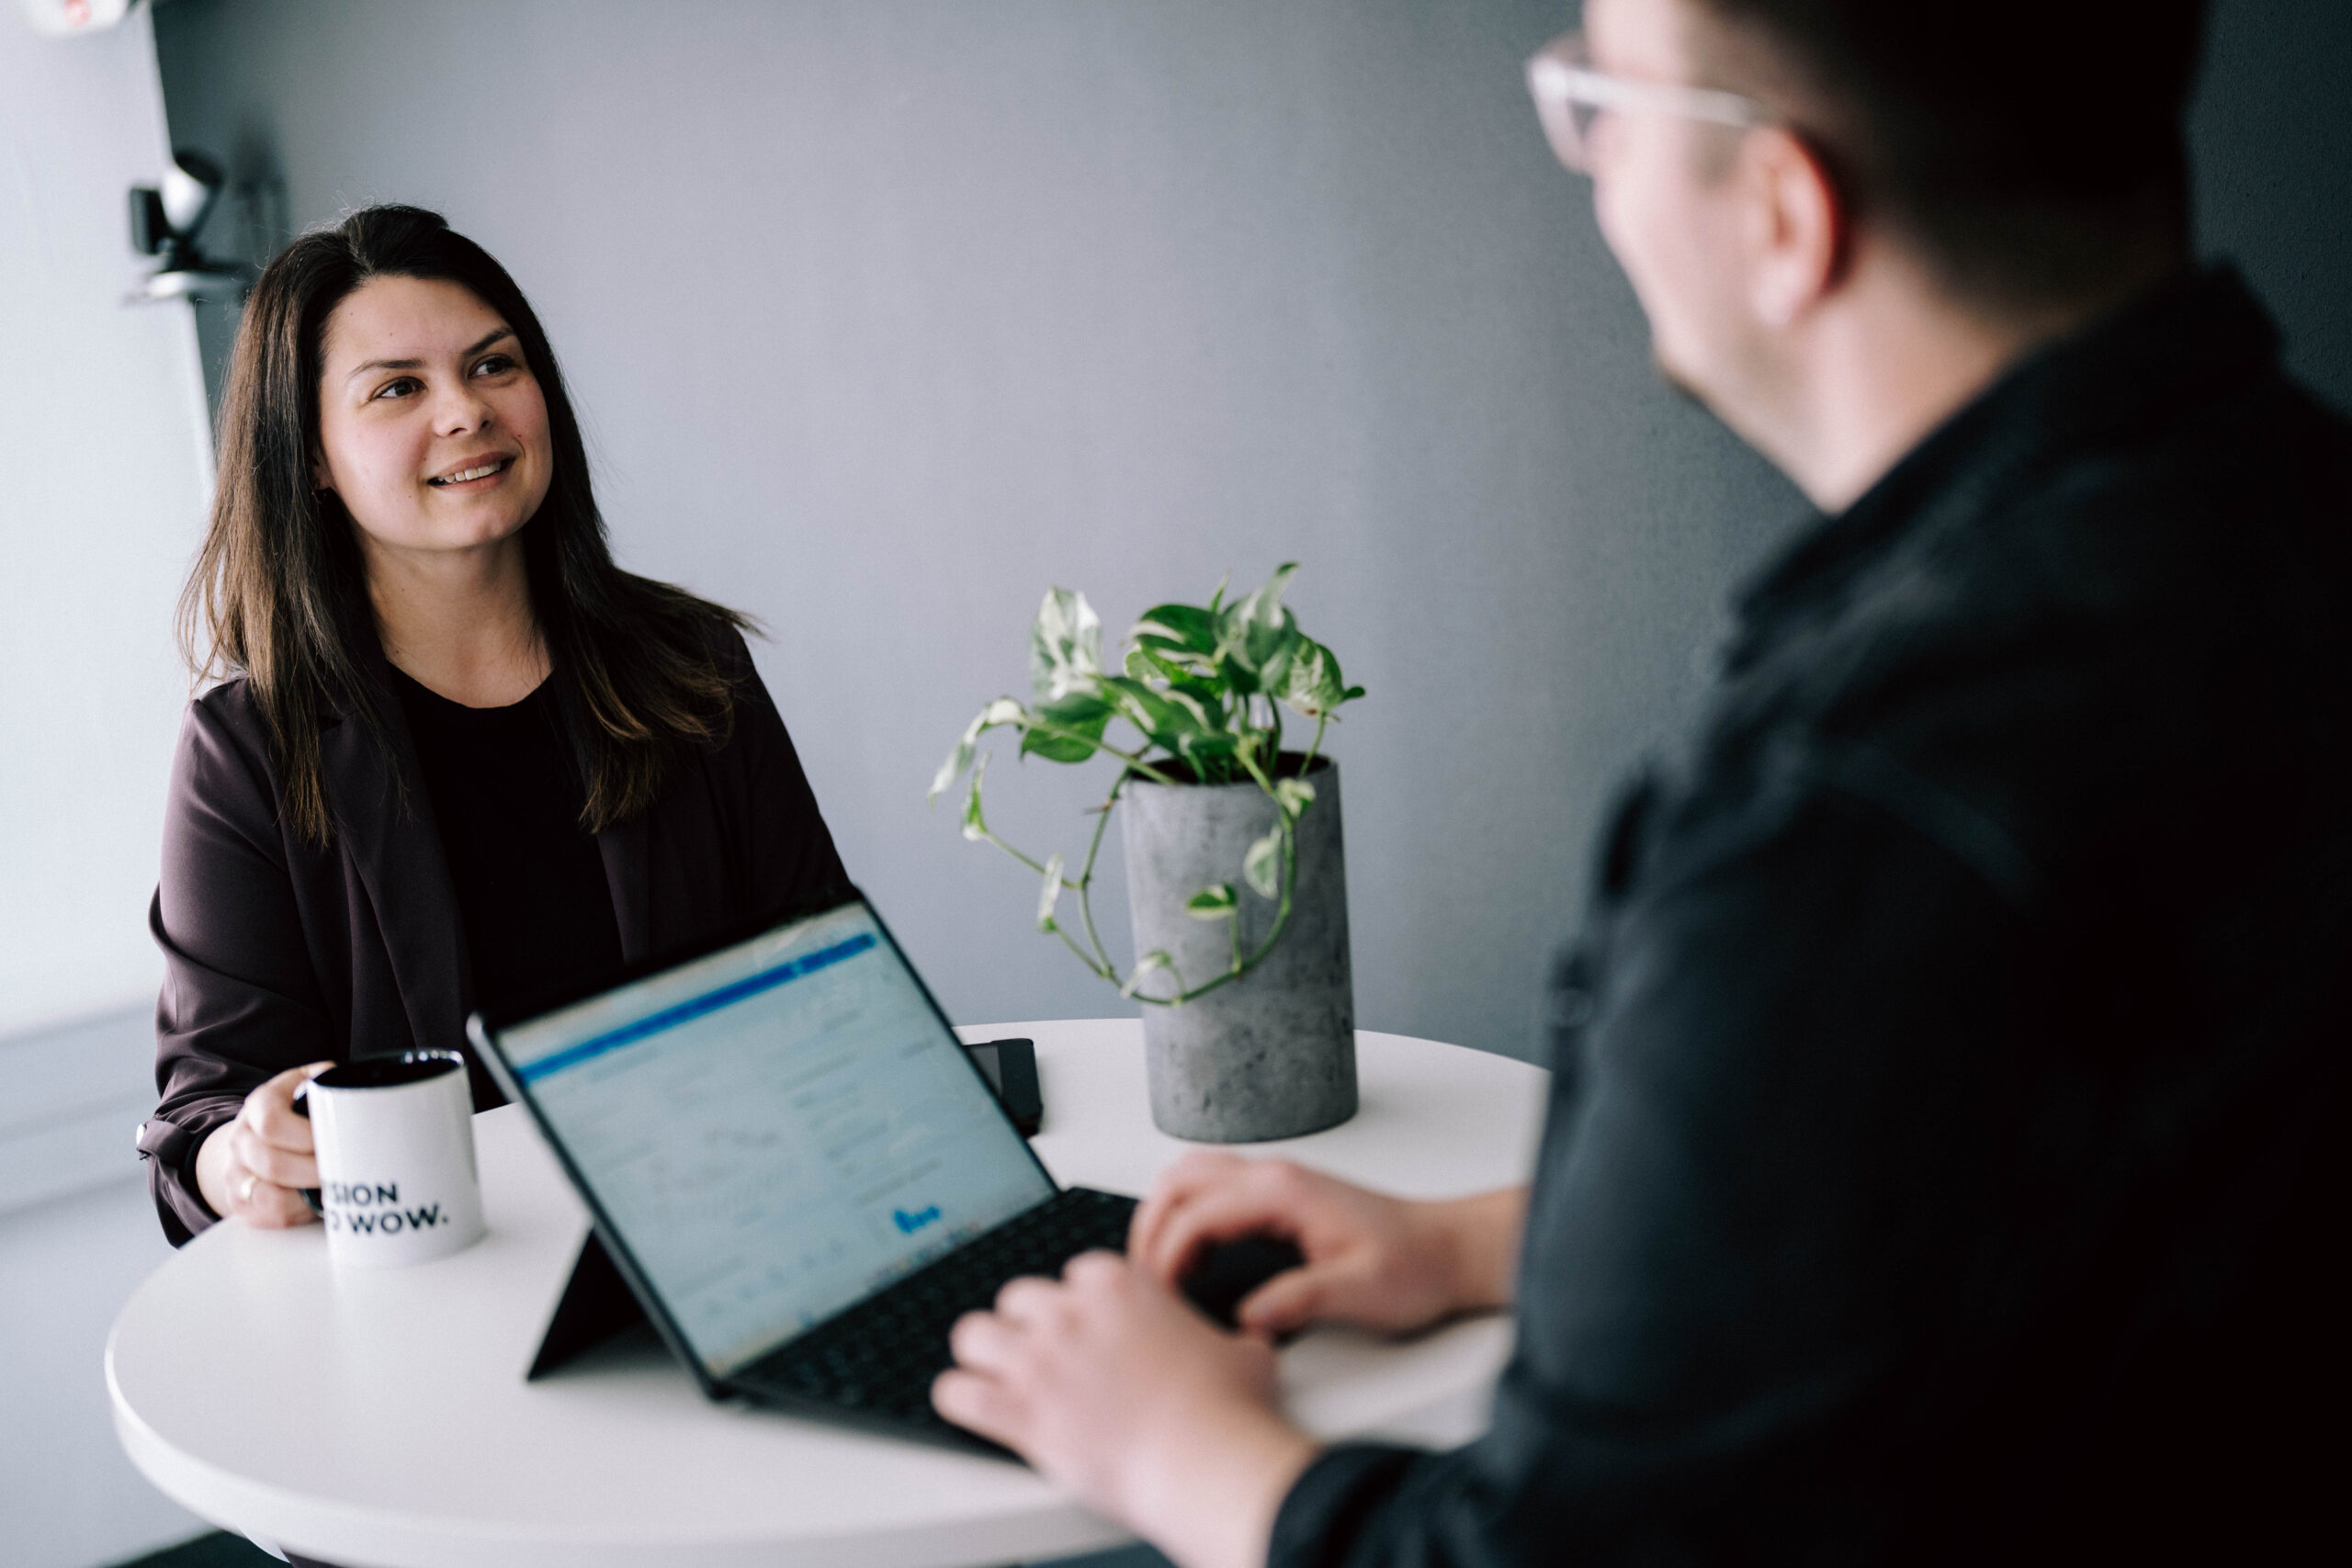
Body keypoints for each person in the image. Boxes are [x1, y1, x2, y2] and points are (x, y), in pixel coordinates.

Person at [932, 1, 2351, 1563]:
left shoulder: (1847, 812)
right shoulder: (2285, 518)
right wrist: (1491, 1243)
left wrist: (1190, 1450)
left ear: (1782, 214)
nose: (1592, 160)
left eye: (1604, 101)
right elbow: (2032, 1204)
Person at [140, 206, 846, 1246]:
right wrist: (239, 1155)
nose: (465, 412)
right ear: (315, 458)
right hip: (441, 1299)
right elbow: (199, 1116)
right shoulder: (249, 752)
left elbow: (828, 980)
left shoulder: (690, 667)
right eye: (397, 388)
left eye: (493, 365)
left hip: (734, 1240)